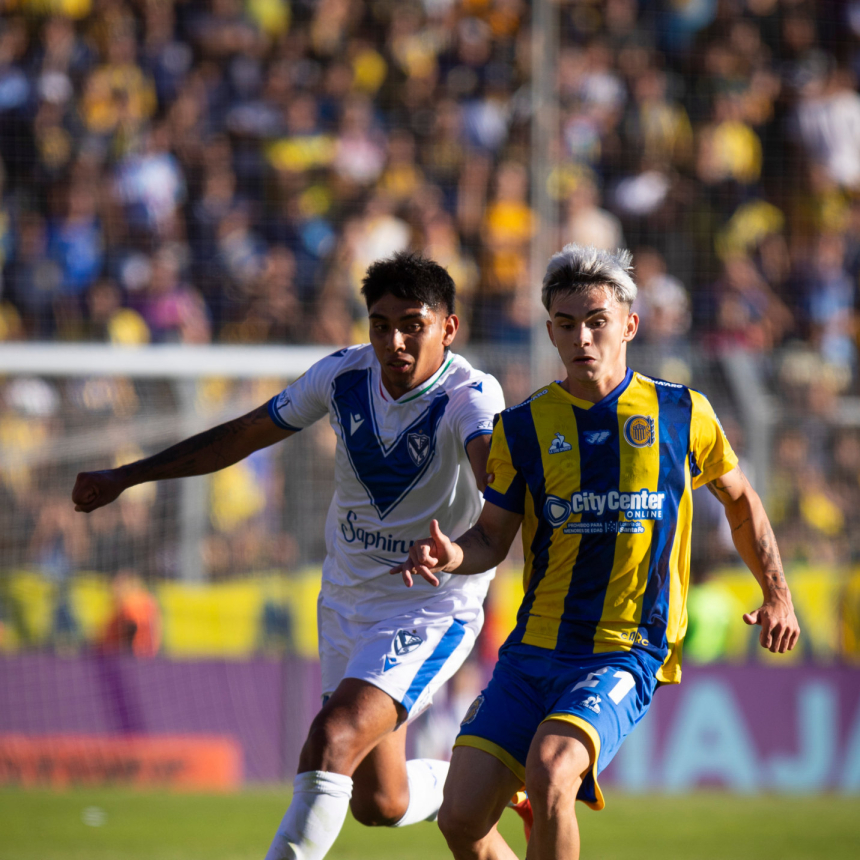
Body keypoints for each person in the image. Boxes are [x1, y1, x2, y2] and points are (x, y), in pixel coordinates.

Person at [71, 252, 505, 860]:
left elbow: (499, 488)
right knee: (379, 802)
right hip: (347, 600)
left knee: (331, 739)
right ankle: (486, 785)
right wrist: (127, 475)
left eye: (414, 325)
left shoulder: (472, 396)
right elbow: (241, 436)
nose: (395, 342)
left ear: (448, 328)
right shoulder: (341, 377)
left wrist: (456, 549)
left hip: (428, 606)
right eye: (381, 326)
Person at [393, 244, 801, 860]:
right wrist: (451, 554)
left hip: (623, 650)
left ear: (629, 325)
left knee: (553, 769)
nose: (581, 337)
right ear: (550, 331)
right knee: (461, 817)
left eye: (596, 321)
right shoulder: (522, 427)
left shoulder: (681, 413)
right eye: (566, 324)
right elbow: (491, 538)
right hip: (532, 650)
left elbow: (740, 501)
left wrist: (777, 593)